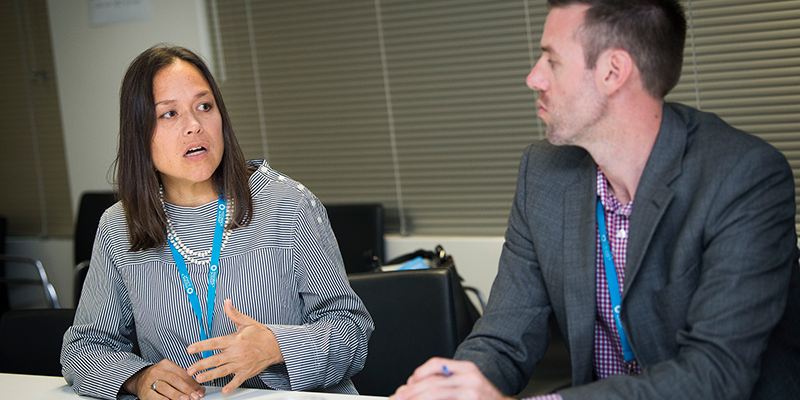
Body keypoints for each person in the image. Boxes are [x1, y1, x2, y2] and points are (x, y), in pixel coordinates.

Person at [391, 1, 800, 399]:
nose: (534, 78)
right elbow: (503, 339)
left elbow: (715, 375)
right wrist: (451, 387)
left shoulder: (744, 177)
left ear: (612, 71)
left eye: (551, 60)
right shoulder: (544, 174)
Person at [61, 45, 374, 400]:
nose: (194, 126)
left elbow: (353, 332)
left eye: (204, 106)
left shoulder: (288, 205)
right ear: (139, 134)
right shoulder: (118, 225)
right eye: (169, 114)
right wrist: (138, 378)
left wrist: (277, 347)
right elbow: (83, 348)